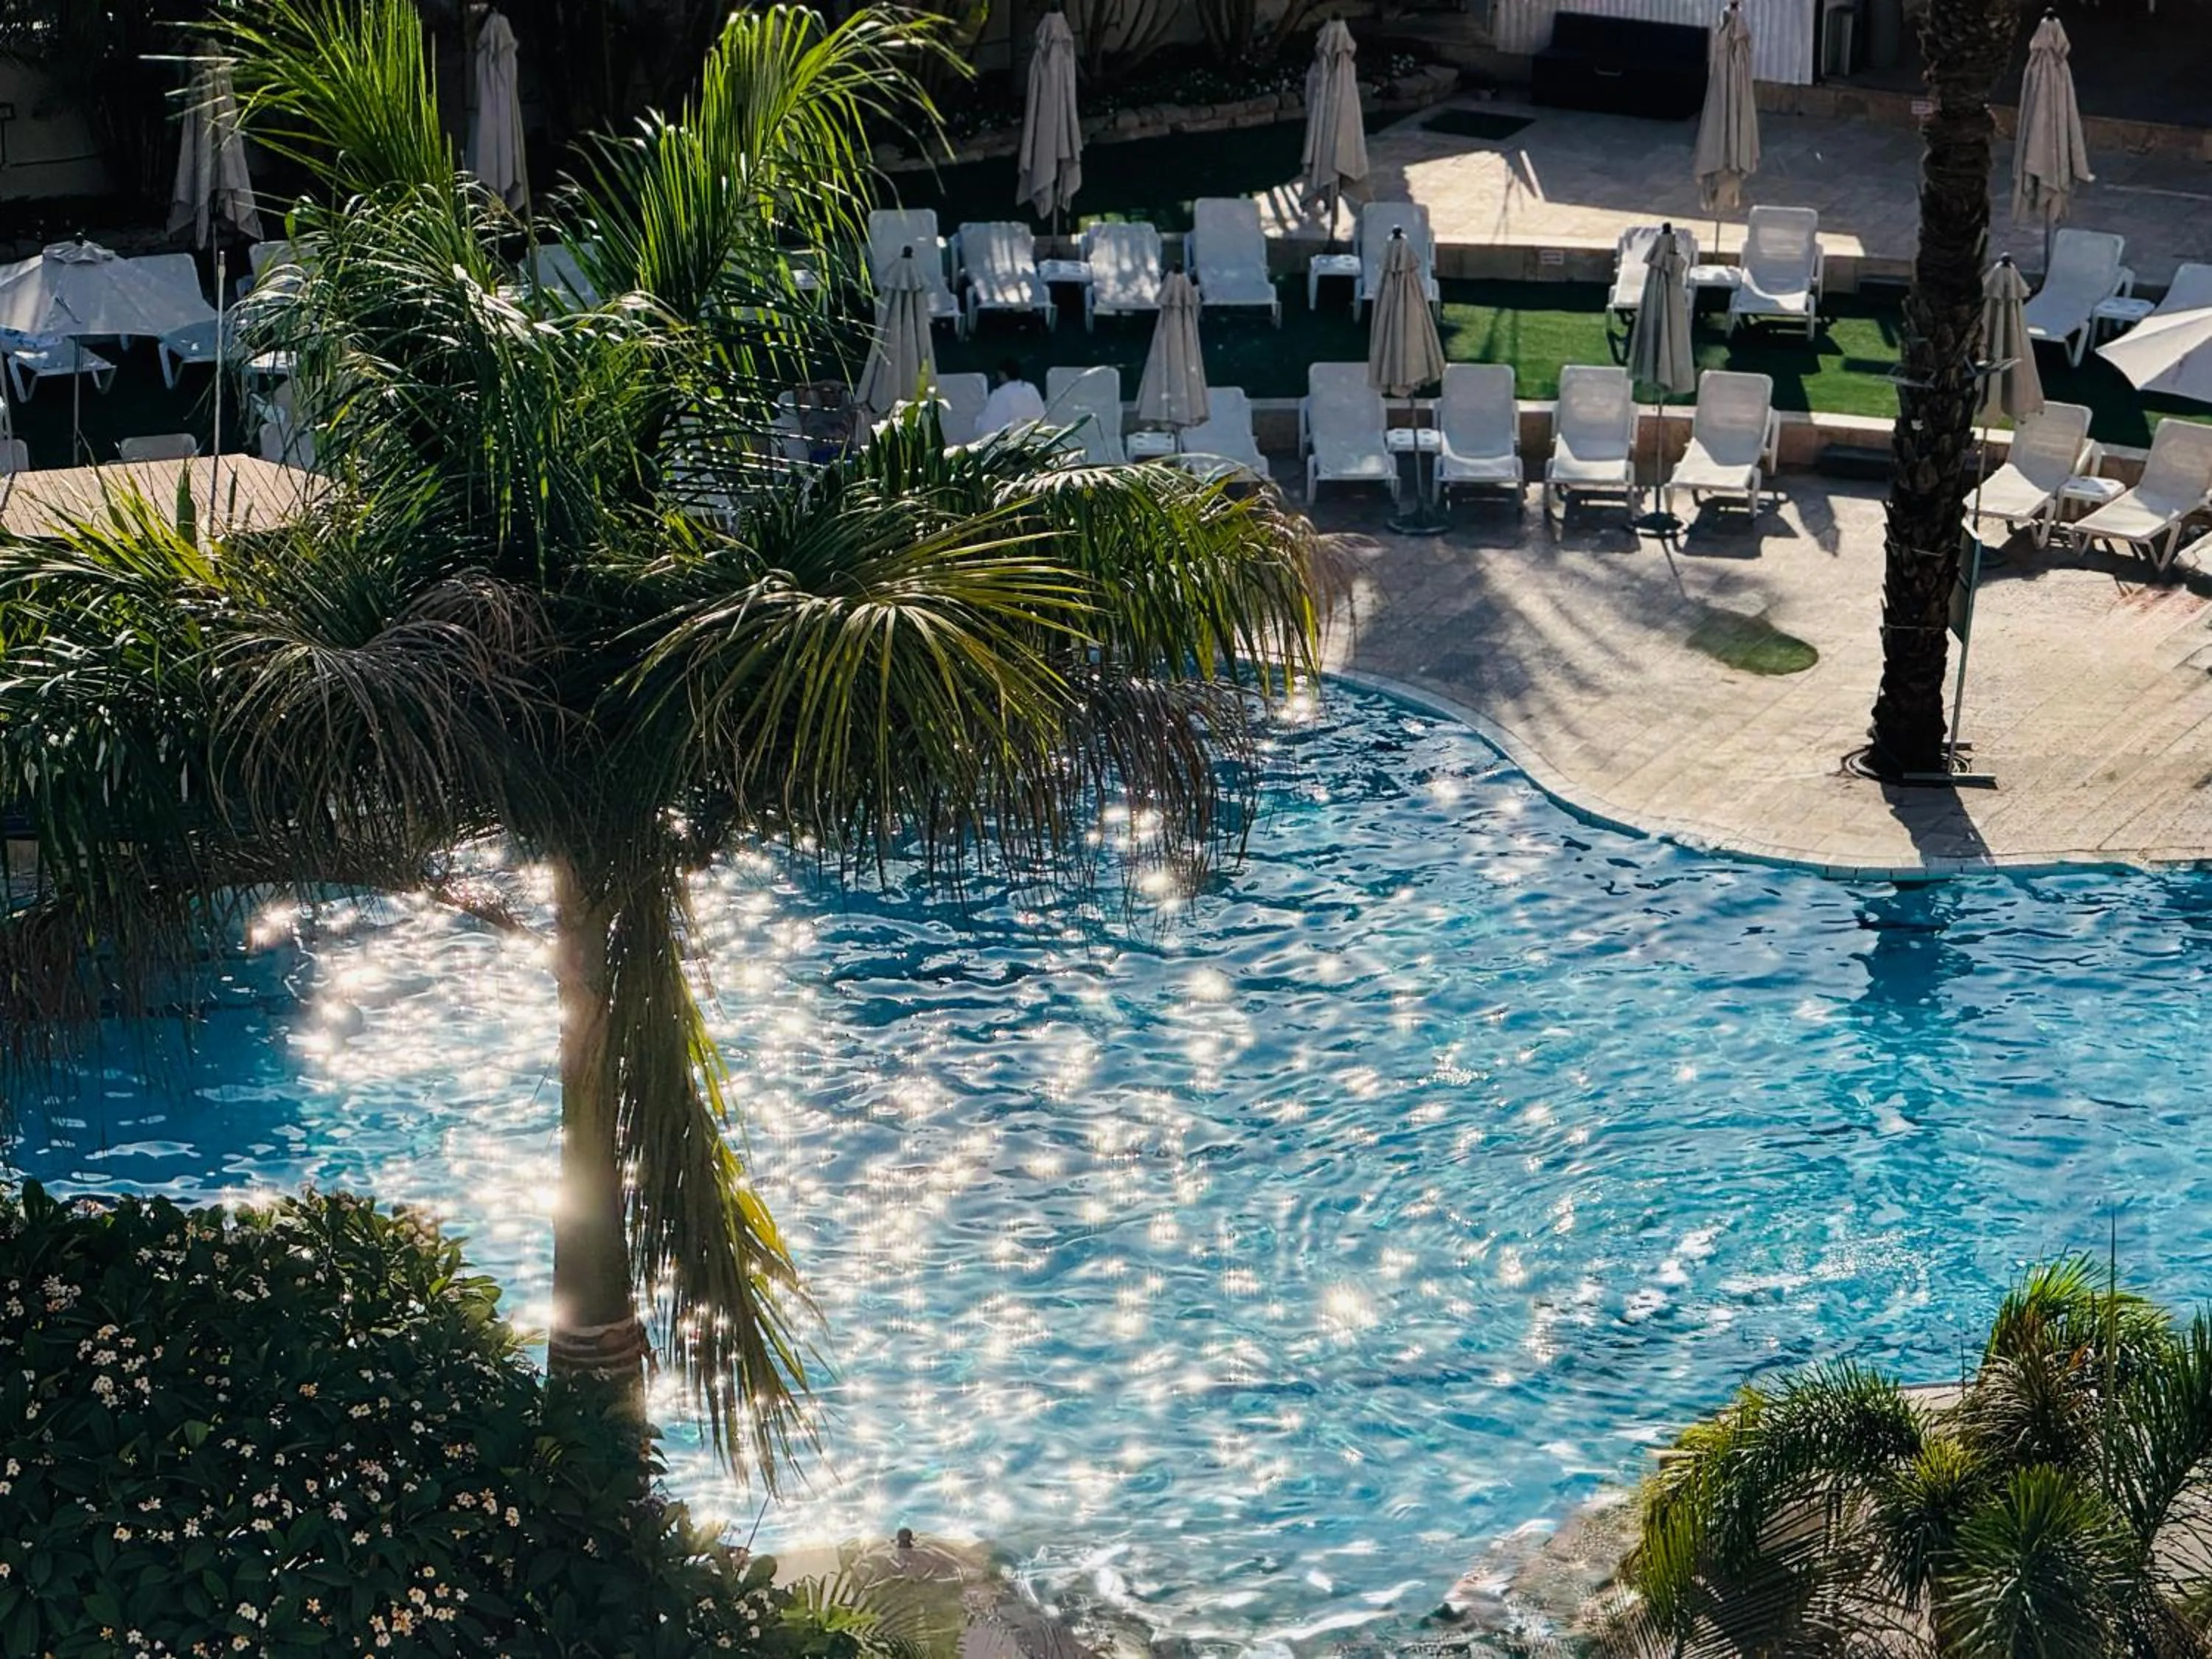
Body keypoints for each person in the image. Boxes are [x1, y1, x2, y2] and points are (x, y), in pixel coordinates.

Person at [974, 358, 1046, 437]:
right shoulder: (1032, 388)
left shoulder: (1000, 394)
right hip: (1036, 439)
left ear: (1002, 374)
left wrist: (978, 421)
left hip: (1011, 443)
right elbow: (1042, 417)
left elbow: (988, 428)